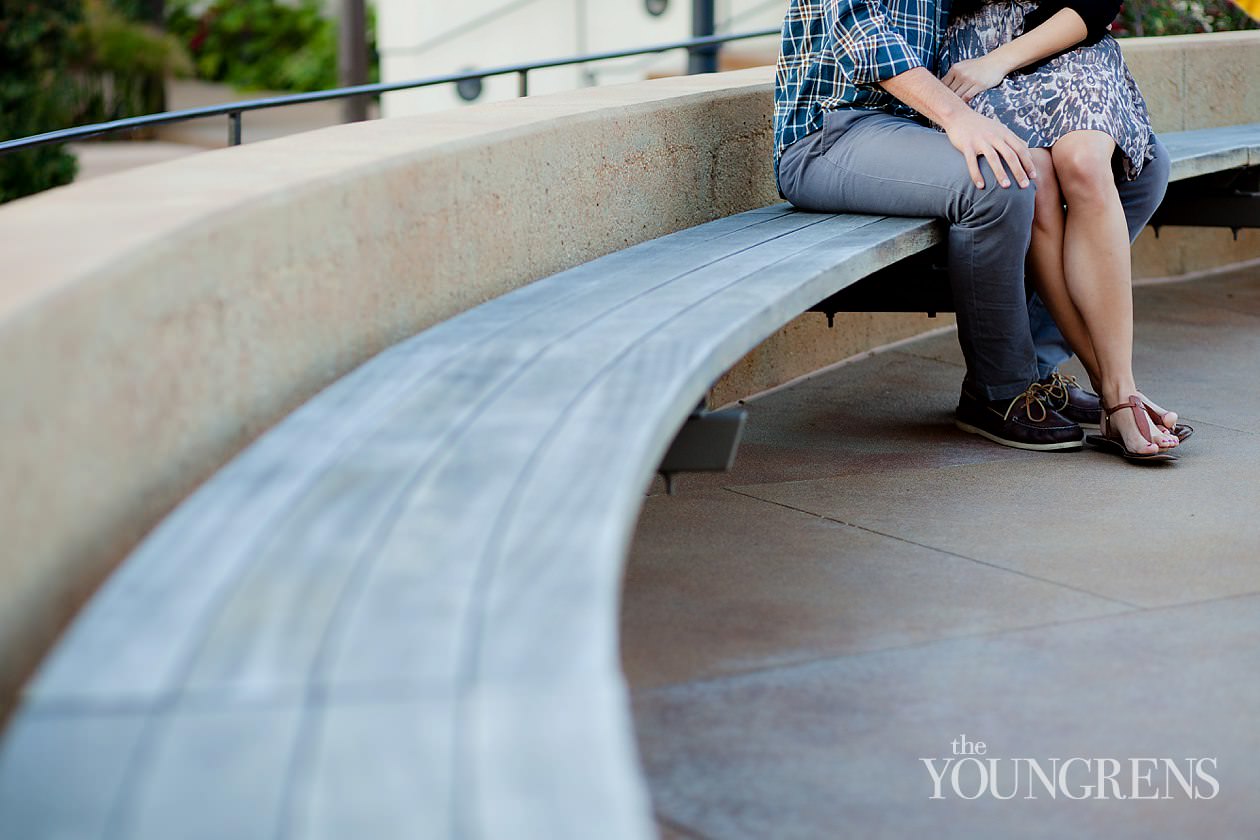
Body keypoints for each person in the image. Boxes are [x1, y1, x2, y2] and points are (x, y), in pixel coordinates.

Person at [773, 0, 1170, 454]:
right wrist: (958, 116)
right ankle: (998, 390)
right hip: (836, 130)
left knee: (1144, 165)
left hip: (918, 123)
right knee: (1001, 181)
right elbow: (861, 34)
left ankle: (1039, 368)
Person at [939, 0, 1190, 460]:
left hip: (1068, 45)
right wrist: (986, 64)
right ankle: (1117, 395)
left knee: (1086, 165)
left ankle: (1119, 391)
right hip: (973, 50)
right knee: (1034, 176)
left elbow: (1094, 3)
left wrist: (999, 62)